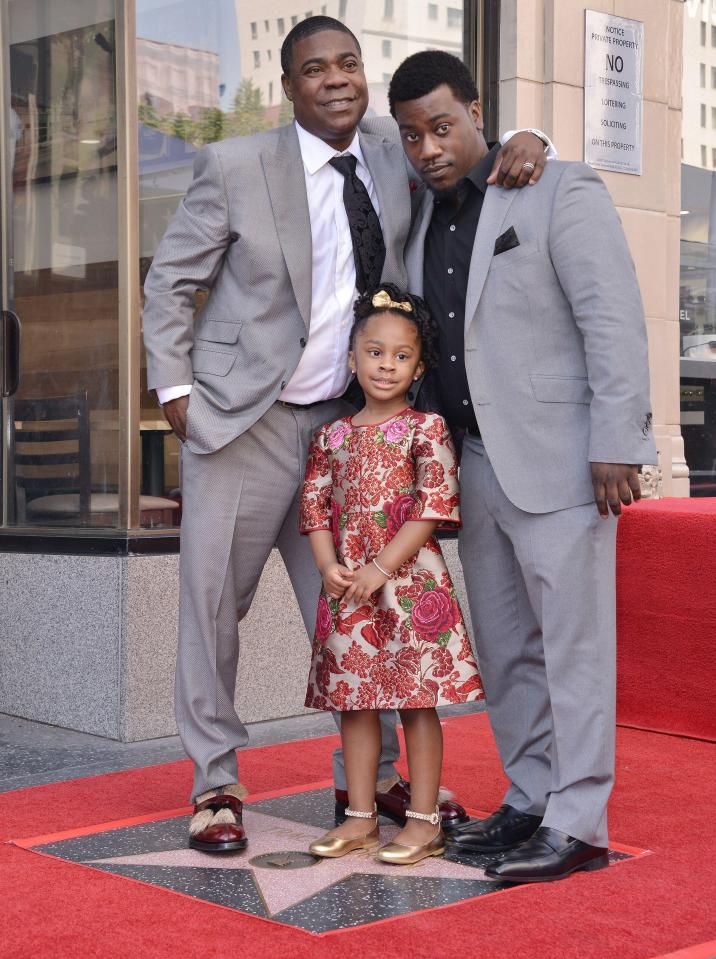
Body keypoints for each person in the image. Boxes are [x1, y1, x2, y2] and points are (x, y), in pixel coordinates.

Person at [142, 14, 550, 853]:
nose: (336, 79)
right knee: (215, 604)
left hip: (346, 425)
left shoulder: (389, 145)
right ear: (287, 86)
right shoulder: (234, 164)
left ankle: (374, 783)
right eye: (315, 69)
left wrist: (524, 136)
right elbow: (170, 282)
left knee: (369, 602)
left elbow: (455, 134)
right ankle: (216, 780)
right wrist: (178, 391)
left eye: (349, 64)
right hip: (246, 422)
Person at [389, 51, 657, 883]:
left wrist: (616, 439)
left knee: (573, 648)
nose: (429, 147)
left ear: (477, 112)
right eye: (412, 135)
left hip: (562, 461)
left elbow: (612, 318)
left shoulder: (557, 188)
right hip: (474, 462)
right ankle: (531, 796)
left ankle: (578, 822)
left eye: (443, 125)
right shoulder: (423, 215)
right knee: (506, 650)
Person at [301, 284, 483, 865]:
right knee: (355, 702)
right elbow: (314, 505)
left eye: (401, 356)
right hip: (350, 587)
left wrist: (382, 567)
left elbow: (435, 504)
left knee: (415, 700)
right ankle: (359, 817)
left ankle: (424, 820)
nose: (386, 365)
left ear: (419, 366)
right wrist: (330, 566)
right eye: (374, 352)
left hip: (408, 585)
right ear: (352, 359)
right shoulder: (330, 436)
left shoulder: (425, 430)